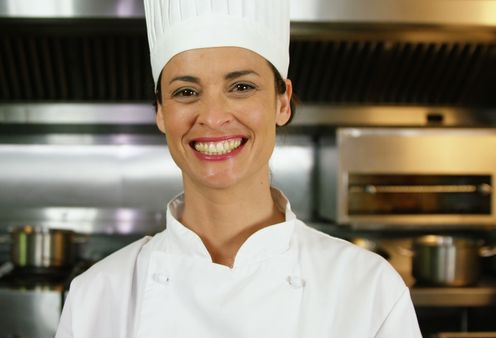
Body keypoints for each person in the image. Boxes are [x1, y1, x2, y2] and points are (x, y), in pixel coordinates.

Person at [55, 1, 422, 337]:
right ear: (161, 113)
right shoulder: (98, 296)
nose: (213, 117)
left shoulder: (369, 289)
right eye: (186, 92)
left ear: (283, 102)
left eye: (241, 87)